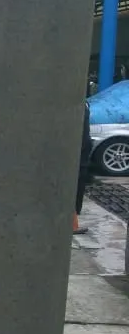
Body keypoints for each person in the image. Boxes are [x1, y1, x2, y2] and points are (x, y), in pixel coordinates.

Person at [73, 100, 93, 235]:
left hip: (81, 152)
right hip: (78, 153)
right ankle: (72, 225)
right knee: (73, 187)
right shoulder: (77, 105)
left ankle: (72, 223)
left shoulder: (82, 104)